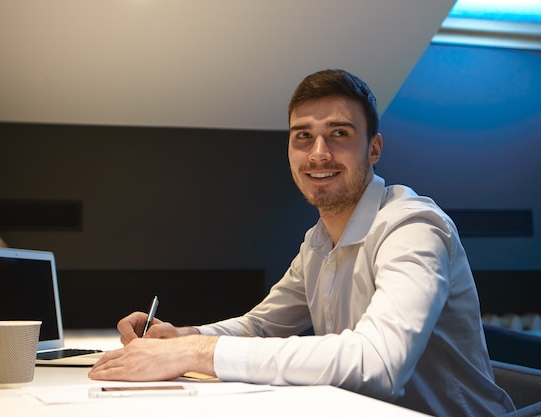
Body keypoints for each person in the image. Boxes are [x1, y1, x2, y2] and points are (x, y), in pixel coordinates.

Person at [89, 69, 515, 417]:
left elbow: (378, 363)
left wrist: (197, 352)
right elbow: (259, 326)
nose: (318, 153)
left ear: (374, 149)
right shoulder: (317, 242)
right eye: (303, 136)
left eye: (340, 134)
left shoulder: (412, 226)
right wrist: (182, 336)